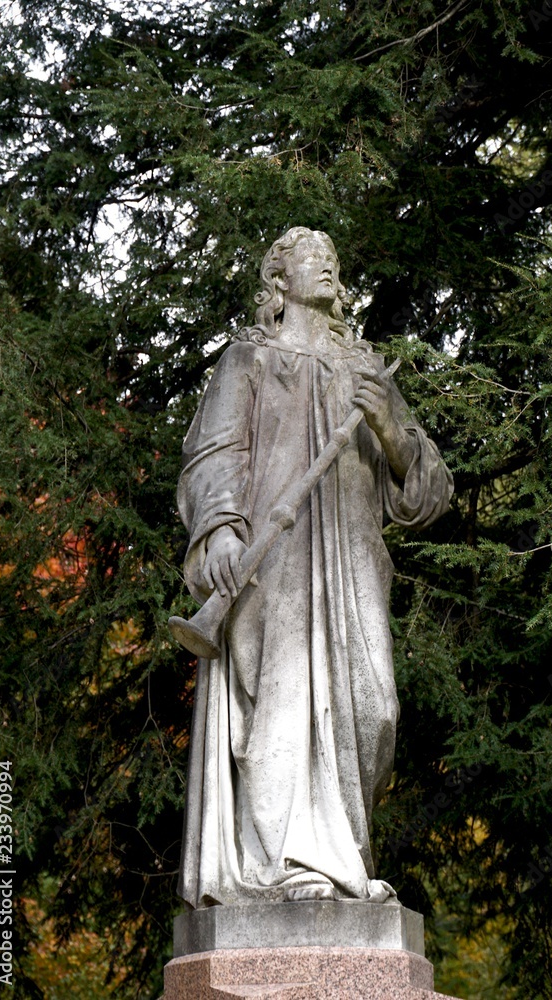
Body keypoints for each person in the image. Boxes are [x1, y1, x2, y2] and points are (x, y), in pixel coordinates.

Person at [176, 226, 453, 908]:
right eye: (309, 256)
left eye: (332, 257)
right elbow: (214, 456)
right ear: (279, 281)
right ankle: (286, 867)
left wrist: (389, 429)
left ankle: (342, 856)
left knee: (373, 706)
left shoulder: (364, 367)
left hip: (354, 563)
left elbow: (427, 495)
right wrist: (220, 531)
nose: (325, 264)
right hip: (273, 568)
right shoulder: (248, 360)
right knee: (282, 707)